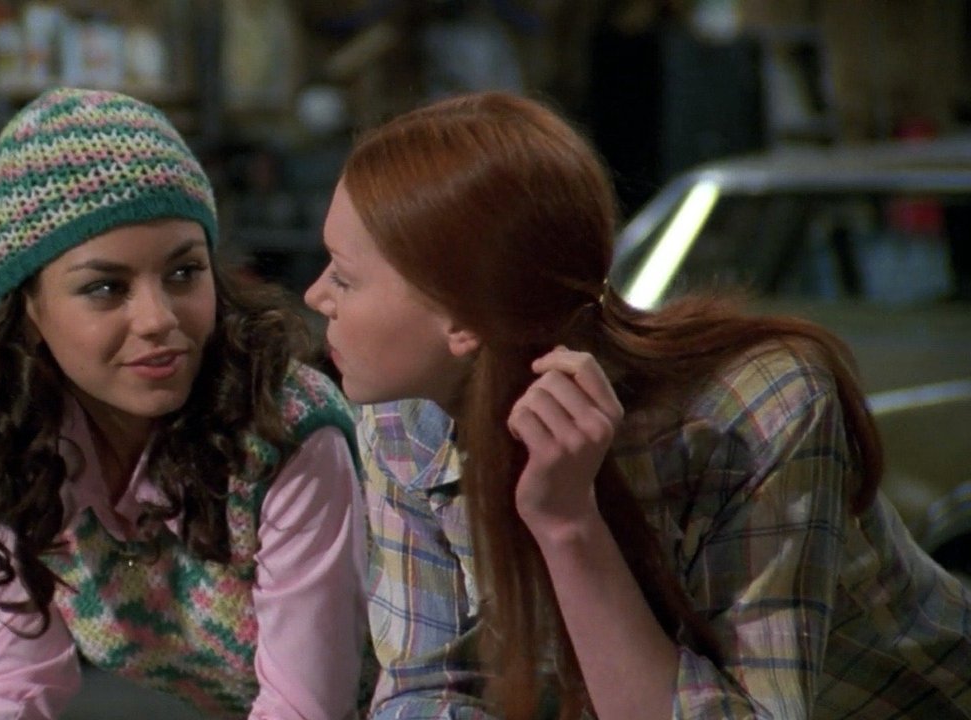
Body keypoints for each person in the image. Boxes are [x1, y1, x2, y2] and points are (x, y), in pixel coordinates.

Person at [303, 90, 971, 720]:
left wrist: (568, 524)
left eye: (344, 276)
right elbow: (427, 688)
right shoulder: (403, 417)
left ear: (461, 320)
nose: (314, 296)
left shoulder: (755, 409)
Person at [0, 87, 370, 720]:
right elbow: (11, 686)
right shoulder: (25, 433)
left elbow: (304, 707)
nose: (157, 319)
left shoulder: (288, 427)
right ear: (30, 309)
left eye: (183, 273)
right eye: (105, 287)